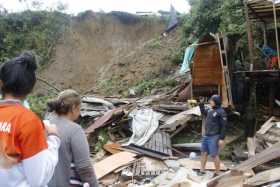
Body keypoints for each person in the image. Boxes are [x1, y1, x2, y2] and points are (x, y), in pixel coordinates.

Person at [0, 51, 61, 187]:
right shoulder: (28, 122)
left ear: (1, 83)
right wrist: (54, 139)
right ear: (31, 88)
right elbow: (38, 179)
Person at [47, 89, 98, 187]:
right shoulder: (74, 130)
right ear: (74, 108)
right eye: (80, 108)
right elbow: (84, 167)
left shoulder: (45, 124)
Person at [198, 95, 227, 176]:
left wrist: (221, 138)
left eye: (211, 100)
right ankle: (202, 170)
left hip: (214, 136)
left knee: (214, 155)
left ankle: (217, 172)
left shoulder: (221, 112)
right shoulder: (210, 110)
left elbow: (224, 126)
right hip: (206, 136)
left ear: (216, 102)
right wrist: (201, 104)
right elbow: (203, 112)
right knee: (204, 153)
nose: (210, 102)